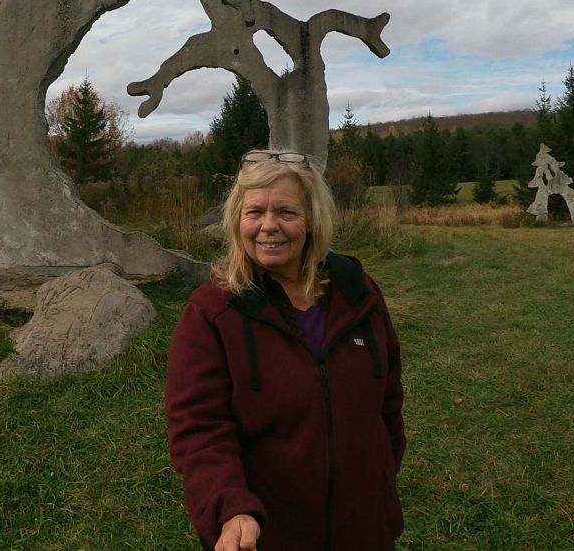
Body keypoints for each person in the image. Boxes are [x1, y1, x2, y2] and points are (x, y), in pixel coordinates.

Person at [165, 149, 406, 550]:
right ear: (237, 220)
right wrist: (231, 508)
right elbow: (198, 432)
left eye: (287, 213)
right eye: (254, 211)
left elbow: (388, 402)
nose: (268, 226)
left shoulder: (357, 292)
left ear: (311, 220)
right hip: (267, 533)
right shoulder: (212, 313)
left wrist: (378, 477)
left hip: (364, 528)